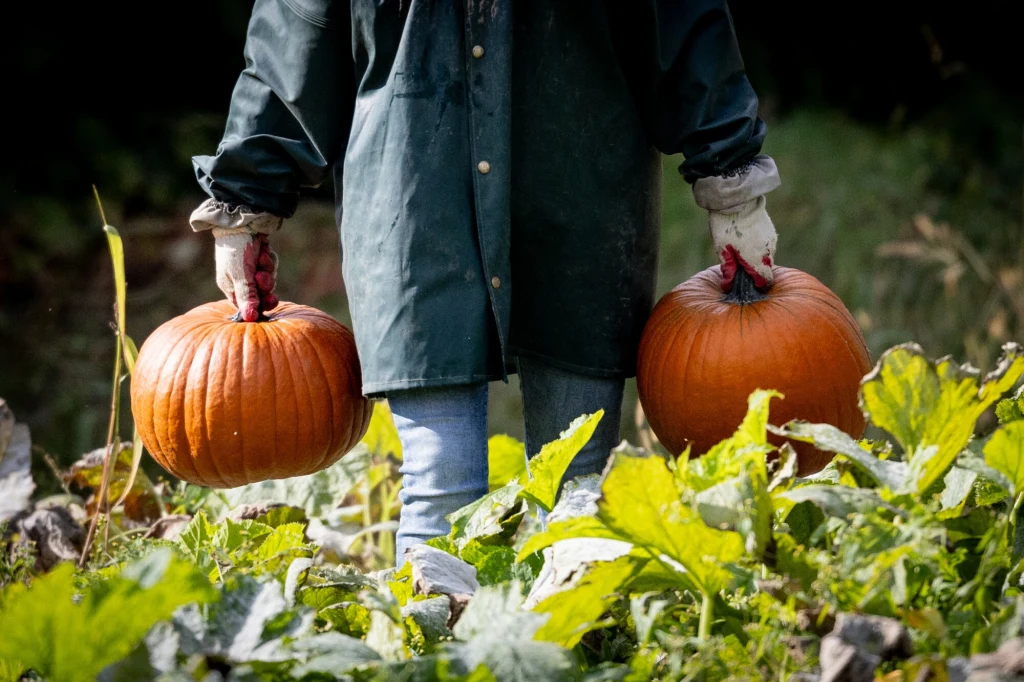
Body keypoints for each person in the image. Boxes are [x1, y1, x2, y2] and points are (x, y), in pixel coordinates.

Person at [189, 0, 781, 564]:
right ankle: (437, 637)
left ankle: (569, 638)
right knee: (440, 490)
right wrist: (244, 203)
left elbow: (680, 19)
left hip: (581, 197)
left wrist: (734, 184)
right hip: (412, 202)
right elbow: (296, 32)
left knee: (576, 491)